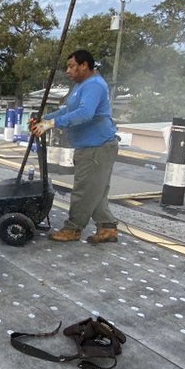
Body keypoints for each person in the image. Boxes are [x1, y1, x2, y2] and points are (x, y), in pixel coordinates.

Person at [30, 48, 119, 243]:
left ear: (84, 65)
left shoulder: (94, 85)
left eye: (71, 66)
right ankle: (107, 227)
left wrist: (51, 124)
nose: (68, 71)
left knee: (84, 190)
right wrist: (45, 119)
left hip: (97, 147)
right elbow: (68, 110)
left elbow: (85, 114)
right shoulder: (81, 85)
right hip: (91, 147)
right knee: (95, 191)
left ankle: (73, 229)